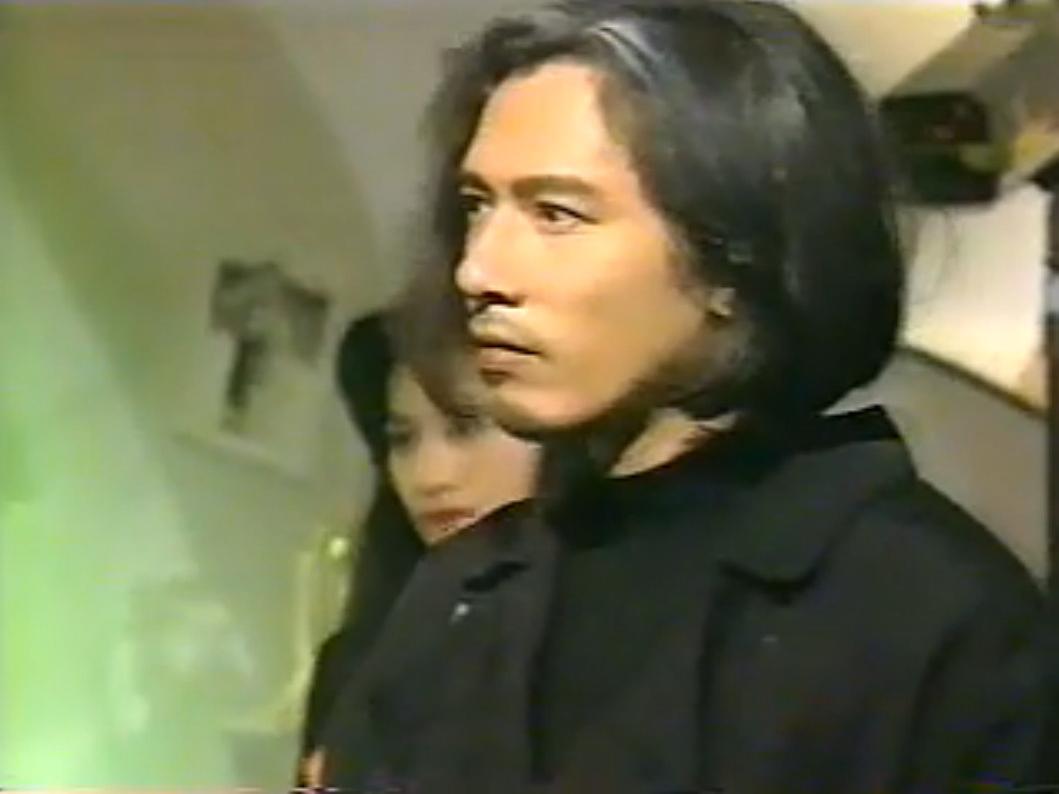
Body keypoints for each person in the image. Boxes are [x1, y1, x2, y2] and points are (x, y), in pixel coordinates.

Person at [317, 2, 1049, 792]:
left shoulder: (936, 616)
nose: (478, 271)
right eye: (475, 207)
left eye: (556, 214)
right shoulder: (456, 597)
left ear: (735, 258)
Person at [296, 311, 540, 787]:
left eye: (466, 426)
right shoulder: (355, 664)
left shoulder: (617, 644)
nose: (429, 476)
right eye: (402, 439)